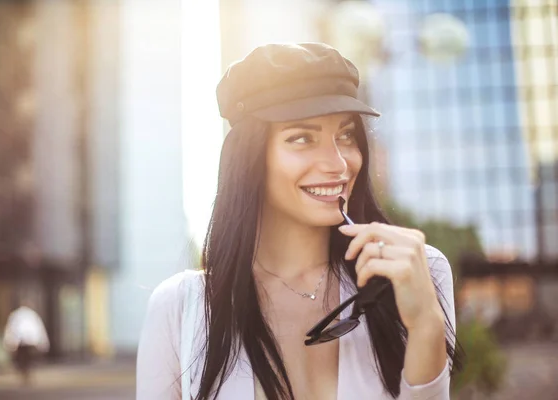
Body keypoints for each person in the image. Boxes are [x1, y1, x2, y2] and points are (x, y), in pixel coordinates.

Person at [137, 43, 462, 400]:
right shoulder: (180, 309)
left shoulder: (416, 272)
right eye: (302, 138)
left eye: (346, 135)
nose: (338, 164)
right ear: (250, 157)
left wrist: (426, 325)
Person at [3, 300, 50, 385]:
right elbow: (38, 329)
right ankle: (26, 374)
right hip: (28, 341)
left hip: (22, 341)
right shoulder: (31, 315)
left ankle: (25, 373)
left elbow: (12, 329)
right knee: (27, 358)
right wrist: (42, 342)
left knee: (24, 359)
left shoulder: (17, 315)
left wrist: (10, 341)